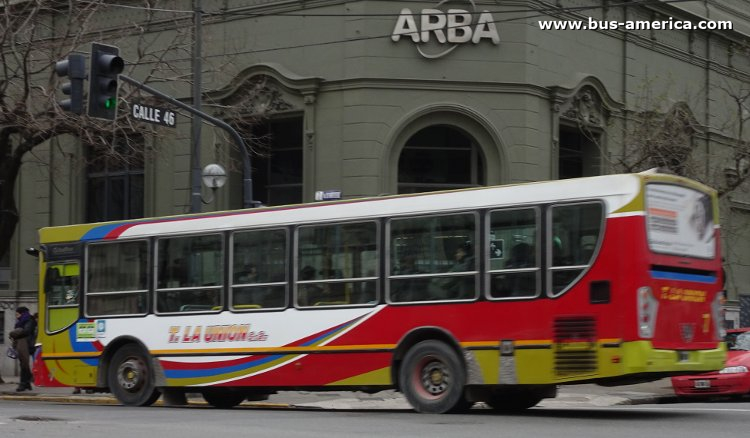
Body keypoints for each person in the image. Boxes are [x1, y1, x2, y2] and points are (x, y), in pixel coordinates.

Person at [9, 306, 37, 392]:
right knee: (23, 364)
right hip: (21, 344)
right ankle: (27, 383)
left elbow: (26, 331)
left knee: (24, 364)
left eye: (17, 314)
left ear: (22, 313)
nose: (16, 316)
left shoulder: (29, 320)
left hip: (27, 344)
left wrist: (14, 333)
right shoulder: (21, 321)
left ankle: (23, 384)